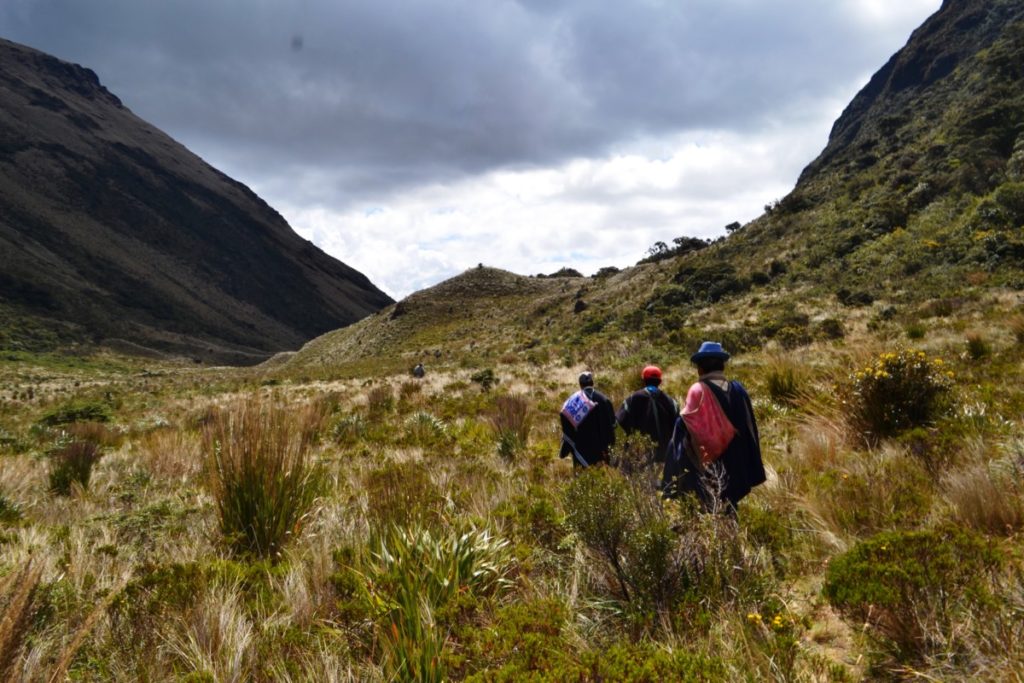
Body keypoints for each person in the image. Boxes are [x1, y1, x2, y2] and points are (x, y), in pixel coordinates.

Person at [662, 341, 766, 511]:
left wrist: (671, 478)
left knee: (709, 512)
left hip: (709, 469)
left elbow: (683, 431)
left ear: (700, 368)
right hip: (738, 466)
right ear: (722, 366)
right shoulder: (739, 390)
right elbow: (750, 429)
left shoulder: (698, 390)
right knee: (730, 508)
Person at [616, 365, 679, 462]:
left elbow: (620, 421)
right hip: (666, 455)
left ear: (643, 380)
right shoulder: (671, 402)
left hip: (641, 455)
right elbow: (678, 426)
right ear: (660, 381)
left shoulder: (632, 399)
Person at [559, 371, 616, 468]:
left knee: (583, 481)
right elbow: (613, 426)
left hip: (581, 452)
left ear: (580, 385)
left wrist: (564, 451)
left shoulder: (573, 401)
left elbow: (568, 428)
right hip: (602, 453)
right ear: (592, 383)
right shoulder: (604, 400)